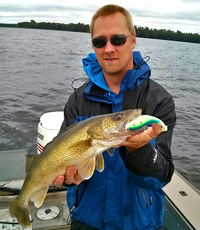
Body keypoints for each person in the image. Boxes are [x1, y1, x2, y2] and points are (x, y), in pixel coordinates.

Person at [54, 4, 176, 230]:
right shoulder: (77, 100)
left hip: (141, 224)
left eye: (117, 39)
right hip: (86, 221)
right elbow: (63, 159)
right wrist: (69, 177)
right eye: (100, 42)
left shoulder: (159, 101)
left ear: (133, 40)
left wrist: (139, 151)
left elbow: (161, 177)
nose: (108, 48)